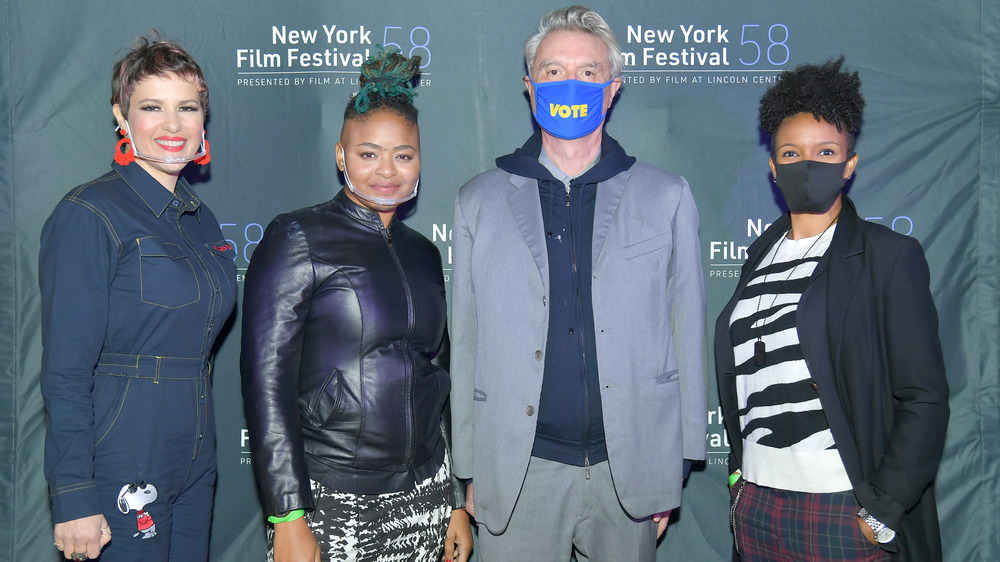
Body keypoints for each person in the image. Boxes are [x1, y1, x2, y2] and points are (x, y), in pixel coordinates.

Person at [449, 6, 707, 560]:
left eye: (588, 72)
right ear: (529, 86)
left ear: (611, 90)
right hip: (516, 473)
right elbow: (464, 344)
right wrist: (467, 468)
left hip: (630, 473)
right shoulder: (478, 200)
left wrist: (675, 465)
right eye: (553, 70)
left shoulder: (668, 197)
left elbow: (687, 334)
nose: (571, 83)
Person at [240, 47, 472, 562]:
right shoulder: (297, 236)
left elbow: (442, 371)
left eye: (403, 155)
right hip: (331, 497)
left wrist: (455, 498)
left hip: (425, 496)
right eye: (368, 153)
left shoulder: (424, 252)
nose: (386, 171)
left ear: (419, 159)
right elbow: (266, 379)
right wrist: (288, 513)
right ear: (341, 156)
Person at [715, 58, 950, 561]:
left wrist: (880, 511)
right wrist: (740, 479)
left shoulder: (887, 257)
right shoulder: (758, 258)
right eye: (791, 153)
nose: (808, 165)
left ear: (850, 164)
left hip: (840, 512)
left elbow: (924, 398)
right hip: (755, 506)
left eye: (825, 151)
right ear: (773, 167)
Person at [38, 33, 236, 561]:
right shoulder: (89, 214)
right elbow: (66, 371)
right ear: (121, 117)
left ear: (202, 119)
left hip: (195, 454)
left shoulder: (201, 219)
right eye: (153, 107)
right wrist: (74, 494)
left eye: (187, 108)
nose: (173, 126)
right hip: (123, 450)